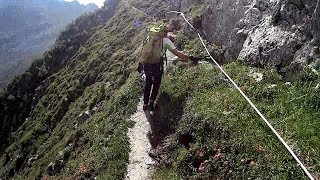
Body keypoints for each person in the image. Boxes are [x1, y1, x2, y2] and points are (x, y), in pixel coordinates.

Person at [139, 25, 201, 111]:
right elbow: (177, 53)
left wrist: (140, 64)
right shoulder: (166, 41)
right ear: (165, 32)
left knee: (148, 84)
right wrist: (190, 57)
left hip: (147, 65)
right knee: (156, 84)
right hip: (157, 65)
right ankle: (151, 102)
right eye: (167, 32)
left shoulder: (149, 38)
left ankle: (145, 104)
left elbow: (143, 52)